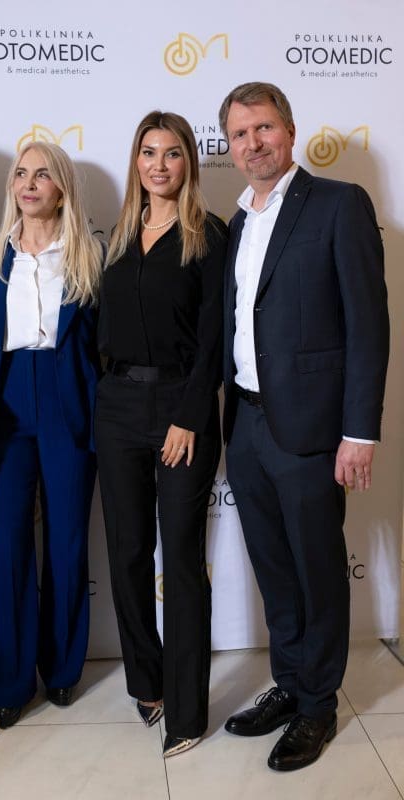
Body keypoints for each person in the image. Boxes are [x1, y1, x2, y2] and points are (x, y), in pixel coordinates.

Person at [218, 82, 389, 771]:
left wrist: (360, 432)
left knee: (318, 571)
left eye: (263, 128)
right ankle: (290, 684)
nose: (253, 143)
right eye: (239, 134)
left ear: (290, 131)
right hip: (247, 424)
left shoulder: (339, 204)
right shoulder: (236, 222)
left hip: (313, 429)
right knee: (275, 568)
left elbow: (368, 326)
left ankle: (318, 704)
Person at [95, 111, 227, 758]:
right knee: (125, 552)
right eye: (148, 152)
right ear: (136, 161)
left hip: (181, 406)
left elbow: (216, 337)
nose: (159, 164)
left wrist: (190, 415)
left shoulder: (210, 234)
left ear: (188, 163)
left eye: (172, 153)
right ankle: (146, 685)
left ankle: (188, 711)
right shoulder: (118, 235)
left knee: (179, 557)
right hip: (117, 407)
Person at [0, 141, 103, 728]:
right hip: (4, 406)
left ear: (62, 188)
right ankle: (7, 682)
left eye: (42, 174)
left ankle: (62, 670)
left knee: (68, 541)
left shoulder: (90, 255)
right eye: (21, 173)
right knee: (7, 545)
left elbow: (113, 339)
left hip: (68, 402)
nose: (29, 183)